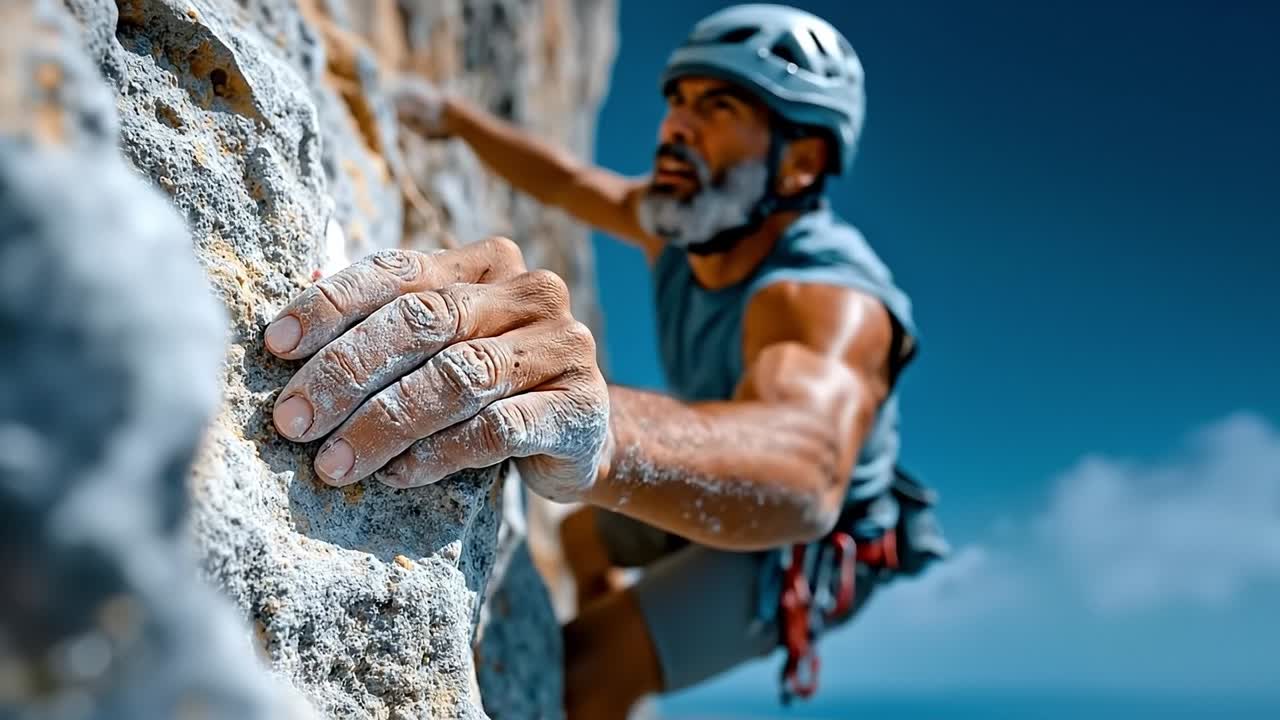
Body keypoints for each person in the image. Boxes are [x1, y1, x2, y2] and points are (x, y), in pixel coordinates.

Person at [266, 4, 946, 718]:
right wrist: (456, 119)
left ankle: (615, 676)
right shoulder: (688, 223)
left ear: (802, 161)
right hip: (727, 465)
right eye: (677, 101)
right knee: (587, 534)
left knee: (584, 672)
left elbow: (806, 468)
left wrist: (600, 427)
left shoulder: (827, 299)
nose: (677, 127)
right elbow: (562, 181)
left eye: (717, 108)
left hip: (807, 541)